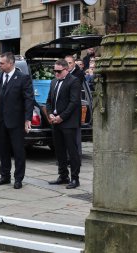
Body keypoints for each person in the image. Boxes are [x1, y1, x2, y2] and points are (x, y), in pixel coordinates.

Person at [0, 52, 34, 189]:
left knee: (18, 151)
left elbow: (29, 99)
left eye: (2, 63)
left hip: (16, 121)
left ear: (10, 63)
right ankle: (4, 176)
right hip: (0, 120)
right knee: (3, 150)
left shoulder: (23, 78)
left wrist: (27, 119)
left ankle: (18, 178)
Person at [46, 59, 82, 189]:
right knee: (59, 150)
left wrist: (61, 117)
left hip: (69, 123)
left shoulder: (74, 81)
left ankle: (75, 178)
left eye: (59, 71)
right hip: (55, 121)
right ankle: (63, 176)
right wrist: (50, 114)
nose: (56, 73)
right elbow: (49, 100)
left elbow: (74, 103)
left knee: (72, 151)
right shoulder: (54, 82)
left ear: (66, 70)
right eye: (54, 71)